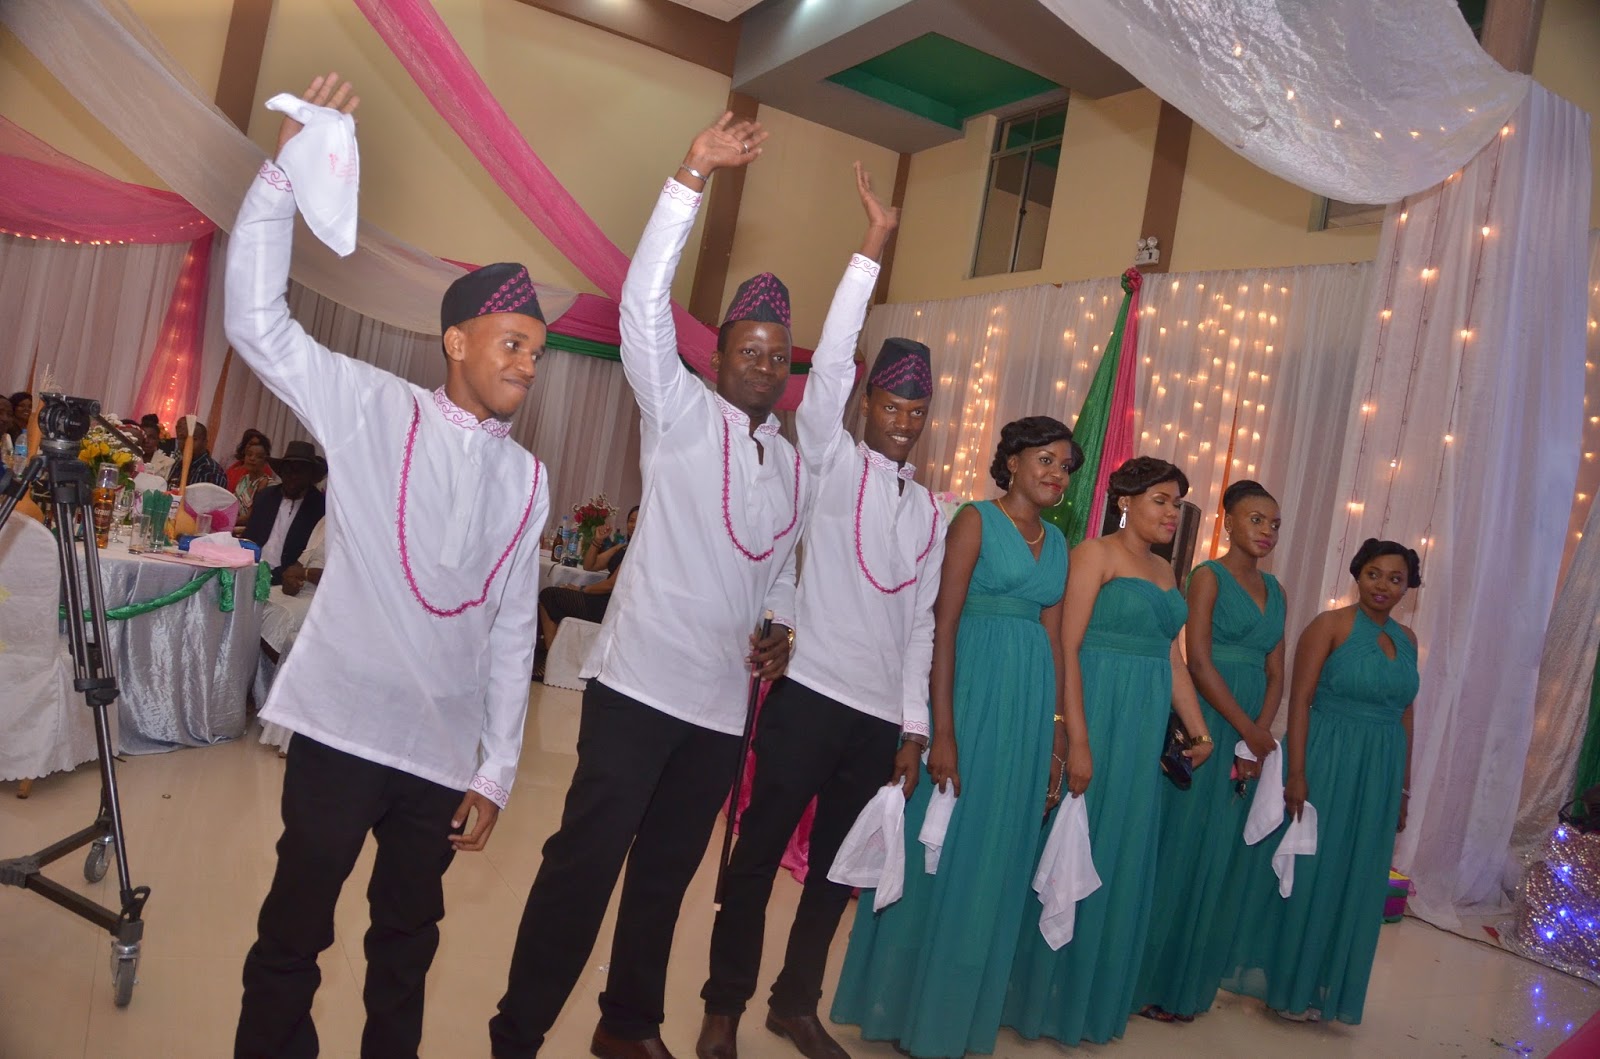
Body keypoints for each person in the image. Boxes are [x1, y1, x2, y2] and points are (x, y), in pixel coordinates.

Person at [227, 74, 549, 1059]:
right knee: (295, 933)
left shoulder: (530, 478)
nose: (526, 364)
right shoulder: (373, 407)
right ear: (455, 340)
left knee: (406, 948)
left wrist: (495, 770)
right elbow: (257, 323)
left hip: (439, 755)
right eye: (511, 343)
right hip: (340, 726)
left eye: (536, 352)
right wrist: (282, 179)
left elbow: (512, 629)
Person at [489, 114, 800, 1059]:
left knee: (666, 877)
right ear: (718, 356)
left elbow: (783, 562)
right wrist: (691, 176)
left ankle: (625, 1026)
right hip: (637, 690)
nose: (763, 365)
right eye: (748, 350)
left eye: (777, 355)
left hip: (720, 708)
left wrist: (782, 622)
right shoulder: (679, 412)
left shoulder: (789, 462)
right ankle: (516, 1032)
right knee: (583, 867)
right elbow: (642, 303)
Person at [698, 165, 921, 1059]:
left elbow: (923, 626)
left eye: (917, 410)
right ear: (866, 405)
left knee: (836, 870)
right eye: (892, 405)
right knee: (754, 857)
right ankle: (723, 1004)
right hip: (810, 695)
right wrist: (872, 247)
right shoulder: (830, 460)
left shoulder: (930, 509)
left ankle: (794, 1003)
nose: (904, 421)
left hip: (875, 717)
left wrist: (912, 724)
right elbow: (829, 363)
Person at [831, 416, 1075, 1059]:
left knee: (998, 858)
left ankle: (958, 1018)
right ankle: (904, 1009)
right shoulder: (974, 521)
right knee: (944, 851)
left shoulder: (1058, 542)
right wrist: (941, 732)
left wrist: (1055, 735)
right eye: (1045, 460)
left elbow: (1054, 642)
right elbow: (942, 626)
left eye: (1065, 466)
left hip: (1027, 714)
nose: (1057, 474)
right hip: (970, 699)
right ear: (1013, 462)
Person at [1003, 455, 1212, 1048]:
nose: (1171, 513)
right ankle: (1033, 993)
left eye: (1177, 504)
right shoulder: (1094, 555)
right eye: (1160, 500)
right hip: (1096, 710)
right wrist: (1076, 739)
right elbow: (1065, 647)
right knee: (1074, 842)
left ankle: (1086, 997)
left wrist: (1199, 730)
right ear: (1126, 501)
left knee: (1119, 850)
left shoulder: (1167, 572)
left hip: (1143, 726)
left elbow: (1171, 657)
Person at [1220, 538, 1421, 1025]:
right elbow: (1300, 700)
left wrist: (1403, 788)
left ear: (1407, 587)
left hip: (1380, 768)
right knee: (1313, 867)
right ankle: (1286, 985)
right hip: (1328, 758)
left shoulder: (1409, 639)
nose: (1383, 586)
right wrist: (1297, 772)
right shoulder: (1328, 626)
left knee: (1356, 873)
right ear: (1358, 574)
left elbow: (1406, 714)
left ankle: (1324, 984)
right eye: (1374, 574)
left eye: (1395, 579)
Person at [1134, 479, 1286, 1022]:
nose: (1265, 531)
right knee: (1182, 849)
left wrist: (1258, 738)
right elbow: (1196, 660)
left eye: (1273, 523)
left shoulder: (1278, 591)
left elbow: (1276, 671)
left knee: (1219, 857)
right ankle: (1147, 984)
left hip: (1249, 735)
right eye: (1255, 519)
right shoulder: (1207, 576)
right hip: (1208, 722)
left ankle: (1189, 988)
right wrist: (1245, 730)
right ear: (1228, 522)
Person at [532, 505, 638, 681]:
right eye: (631, 521)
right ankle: (551, 659)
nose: (633, 525)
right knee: (550, 598)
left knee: (550, 596)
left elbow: (611, 584)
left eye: (638, 521)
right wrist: (597, 541)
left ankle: (551, 661)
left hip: (610, 605)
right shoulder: (623, 548)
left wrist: (581, 589)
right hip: (602, 598)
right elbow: (590, 565)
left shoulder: (638, 551)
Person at [241, 440, 329, 585]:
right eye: (288, 471)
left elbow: (311, 556)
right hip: (251, 570)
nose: (292, 476)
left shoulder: (320, 508)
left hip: (287, 581)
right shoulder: (266, 497)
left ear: (310, 476)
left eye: (299, 471)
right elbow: (249, 538)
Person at [165, 416, 229, 489]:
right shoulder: (178, 465)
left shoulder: (212, 471)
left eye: (193, 439)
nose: (187, 443)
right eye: (182, 438)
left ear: (205, 442)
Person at [230, 434, 278, 523]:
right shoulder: (243, 480)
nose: (252, 458)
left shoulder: (270, 486)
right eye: (249, 454)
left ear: (265, 461)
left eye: (259, 456)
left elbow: (253, 517)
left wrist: (229, 521)